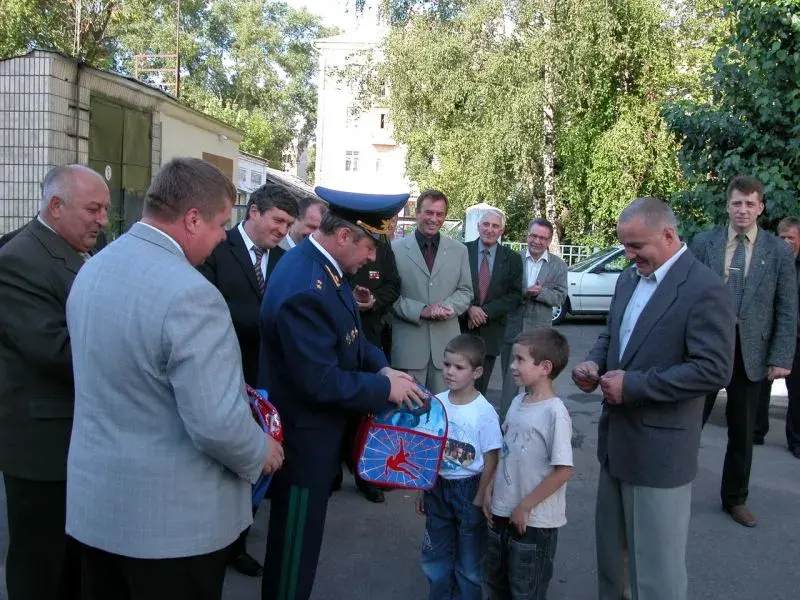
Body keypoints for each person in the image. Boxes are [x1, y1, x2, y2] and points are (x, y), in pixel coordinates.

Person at [65, 157, 283, 600]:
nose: (224, 236)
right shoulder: (193, 295)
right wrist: (262, 450)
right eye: (222, 224)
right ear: (192, 219)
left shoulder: (93, 268)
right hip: (171, 529)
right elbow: (216, 423)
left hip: (98, 511)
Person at [258, 186, 426, 600]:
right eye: (369, 247)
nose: (372, 258)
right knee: (294, 552)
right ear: (345, 236)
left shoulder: (326, 270)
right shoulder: (307, 284)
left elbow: (350, 339)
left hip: (317, 437)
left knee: (302, 547)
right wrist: (385, 387)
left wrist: (381, 365)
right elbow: (320, 381)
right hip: (303, 444)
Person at [572, 197, 735, 600]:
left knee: (656, 577)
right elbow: (613, 336)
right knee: (613, 566)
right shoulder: (629, 279)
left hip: (661, 454)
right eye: (624, 246)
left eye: (636, 246)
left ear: (668, 235)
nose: (628, 256)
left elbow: (714, 369)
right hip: (616, 446)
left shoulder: (705, 288)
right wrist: (593, 364)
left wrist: (634, 386)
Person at [0, 164, 109, 600]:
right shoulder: (19, 261)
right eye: (94, 209)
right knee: (40, 566)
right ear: (56, 206)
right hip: (42, 448)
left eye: (105, 209)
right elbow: (55, 352)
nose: (102, 219)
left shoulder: (72, 251)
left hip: (72, 438)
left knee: (70, 565)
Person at [198, 181, 298, 576]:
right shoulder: (216, 249)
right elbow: (208, 306)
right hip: (221, 374)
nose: (283, 230)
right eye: (278, 220)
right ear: (253, 211)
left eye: (289, 224)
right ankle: (209, 542)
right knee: (221, 463)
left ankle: (236, 543)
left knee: (255, 466)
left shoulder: (285, 259)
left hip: (266, 377)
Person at [690, 176, 797, 527]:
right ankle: (671, 486)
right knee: (687, 422)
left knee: (743, 432)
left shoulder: (777, 251)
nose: (743, 210)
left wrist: (781, 357)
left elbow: (786, 307)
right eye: (737, 203)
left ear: (761, 207)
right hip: (706, 349)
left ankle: (735, 498)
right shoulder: (705, 243)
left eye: (750, 204)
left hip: (752, 354)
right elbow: (685, 296)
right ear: (727, 205)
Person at [483, 328, 573, 600]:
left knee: (525, 591)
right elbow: (505, 448)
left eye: (520, 360)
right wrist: (489, 489)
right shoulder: (517, 401)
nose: (511, 366)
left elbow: (564, 470)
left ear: (545, 367)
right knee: (497, 586)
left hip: (533, 524)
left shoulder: (554, 413)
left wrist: (525, 506)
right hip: (502, 515)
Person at [415, 334, 502, 600]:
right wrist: (423, 487)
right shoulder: (437, 402)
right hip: (438, 487)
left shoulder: (484, 412)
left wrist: (480, 497)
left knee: (469, 561)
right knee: (436, 555)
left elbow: (492, 459)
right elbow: (428, 450)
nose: (450, 372)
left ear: (477, 372)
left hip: (469, 488)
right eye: (447, 365)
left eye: (459, 367)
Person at [343, 211, 402, 504]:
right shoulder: (346, 244)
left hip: (370, 335)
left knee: (366, 413)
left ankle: (365, 475)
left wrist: (373, 301)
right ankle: (331, 469)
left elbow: (393, 285)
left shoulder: (383, 248)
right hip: (340, 337)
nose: (369, 256)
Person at [391, 189, 473, 393]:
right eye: (428, 212)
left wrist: (448, 308)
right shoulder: (395, 249)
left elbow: (466, 291)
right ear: (417, 213)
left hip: (447, 352)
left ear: (445, 217)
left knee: (445, 413)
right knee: (408, 416)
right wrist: (422, 310)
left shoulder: (459, 251)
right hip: (408, 348)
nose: (433, 219)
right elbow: (390, 296)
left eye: (439, 214)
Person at [499, 218, 568, 416]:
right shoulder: (514, 259)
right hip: (512, 330)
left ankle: (533, 424)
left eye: (542, 238)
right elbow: (504, 291)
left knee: (536, 383)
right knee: (510, 383)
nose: (537, 241)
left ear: (549, 241)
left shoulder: (558, 266)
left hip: (539, 336)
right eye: (534, 236)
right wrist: (524, 292)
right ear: (527, 236)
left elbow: (560, 296)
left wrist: (540, 293)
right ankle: (505, 427)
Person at [461, 208, 523, 394]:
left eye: (495, 226)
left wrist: (485, 312)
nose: (490, 229)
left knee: (479, 388)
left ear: (502, 231)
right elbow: (450, 285)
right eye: (486, 224)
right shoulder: (462, 251)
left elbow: (515, 295)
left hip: (491, 332)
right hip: (461, 328)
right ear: (478, 227)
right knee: (456, 381)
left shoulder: (512, 259)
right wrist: (469, 308)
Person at [778, 217, 800, 457]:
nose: (785, 242)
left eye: (790, 238)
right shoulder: (775, 263)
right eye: (782, 237)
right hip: (783, 335)